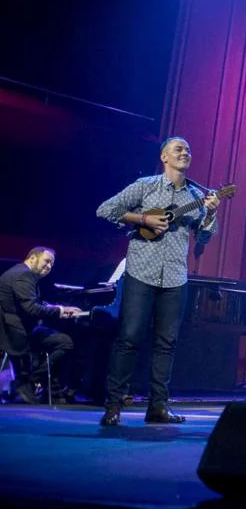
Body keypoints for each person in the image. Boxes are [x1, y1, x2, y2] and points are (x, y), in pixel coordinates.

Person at [95, 137, 220, 426]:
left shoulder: (196, 195)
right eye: (178, 149)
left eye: (188, 150)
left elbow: (202, 237)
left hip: (176, 276)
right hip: (142, 271)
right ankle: (114, 405)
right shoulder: (145, 186)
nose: (185, 153)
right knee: (129, 338)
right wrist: (143, 219)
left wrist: (211, 212)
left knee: (167, 343)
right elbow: (105, 210)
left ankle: (158, 407)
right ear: (164, 156)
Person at [0, 247, 82, 403]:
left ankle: (38, 384)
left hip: (18, 329)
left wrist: (60, 309)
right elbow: (31, 308)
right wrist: (60, 311)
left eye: (52, 264)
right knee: (66, 342)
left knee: (59, 339)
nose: (49, 266)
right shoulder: (24, 275)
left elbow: (33, 303)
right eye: (47, 261)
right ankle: (30, 381)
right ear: (32, 258)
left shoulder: (20, 273)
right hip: (17, 334)